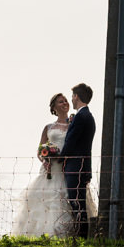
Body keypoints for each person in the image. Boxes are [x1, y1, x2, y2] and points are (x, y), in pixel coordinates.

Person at [12, 92, 73, 236]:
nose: (64, 103)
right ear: (54, 108)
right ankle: (43, 235)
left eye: (65, 101)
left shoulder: (73, 124)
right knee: (43, 202)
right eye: (60, 102)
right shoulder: (48, 127)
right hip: (50, 170)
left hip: (66, 169)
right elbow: (40, 150)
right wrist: (45, 160)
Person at [59, 83, 96, 237]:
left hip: (76, 166)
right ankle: (80, 236)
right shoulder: (86, 115)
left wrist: (59, 159)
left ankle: (81, 237)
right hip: (80, 165)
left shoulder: (82, 116)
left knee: (77, 203)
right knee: (78, 202)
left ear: (77, 97)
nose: (71, 100)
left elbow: (71, 142)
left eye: (73, 96)